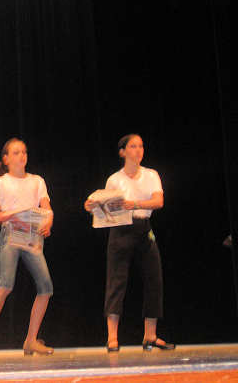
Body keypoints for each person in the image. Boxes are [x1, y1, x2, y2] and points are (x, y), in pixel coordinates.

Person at [84, 134, 175, 352]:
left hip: (144, 229)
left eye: (141, 146)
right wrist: (93, 208)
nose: (138, 150)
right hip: (121, 230)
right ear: (123, 152)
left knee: (154, 280)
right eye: (133, 146)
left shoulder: (151, 175)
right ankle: (112, 337)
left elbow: (158, 201)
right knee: (116, 282)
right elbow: (107, 210)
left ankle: (150, 336)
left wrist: (134, 204)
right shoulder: (114, 179)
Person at [0, 138, 54, 355]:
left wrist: (48, 221)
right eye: (16, 153)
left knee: (46, 287)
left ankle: (31, 340)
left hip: (32, 236)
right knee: (5, 283)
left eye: (24, 152)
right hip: (11, 233)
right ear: (6, 159)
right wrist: (9, 214)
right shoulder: (1, 183)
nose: (22, 156)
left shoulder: (37, 181)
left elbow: (47, 209)